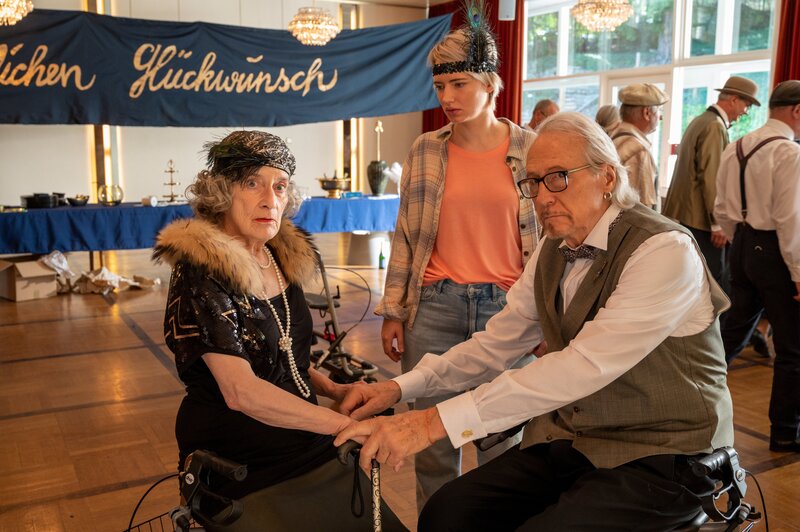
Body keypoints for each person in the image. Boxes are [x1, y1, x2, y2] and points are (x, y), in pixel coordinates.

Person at [337, 112, 733, 531]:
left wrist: (433, 423)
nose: (542, 197)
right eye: (533, 182)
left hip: (665, 451)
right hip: (576, 438)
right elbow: (495, 344)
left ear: (607, 177)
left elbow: (582, 366)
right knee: (447, 512)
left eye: (558, 177)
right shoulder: (552, 247)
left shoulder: (663, 249)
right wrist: (398, 387)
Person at [154, 130, 404, 531]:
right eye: (252, 183)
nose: (270, 199)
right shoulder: (202, 270)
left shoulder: (276, 255)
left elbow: (283, 356)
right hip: (240, 456)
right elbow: (241, 392)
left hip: (299, 430)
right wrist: (344, 425)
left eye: (280, 186)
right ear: (221, 192)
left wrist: (335, 390)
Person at [375, 7, 539, 510]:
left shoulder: (532, 151)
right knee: (431, 443)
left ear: (490, 84)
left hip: (508, 312)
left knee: (502, 439)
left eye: (459, 84)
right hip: (435, 307)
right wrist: (393, 309)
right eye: (440, 85)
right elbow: (405, 235)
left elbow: (551, 242)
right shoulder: (426, 149)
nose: (447, 97)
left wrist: (547, 318)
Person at [714, 80, 800, 452]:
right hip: (775, 252)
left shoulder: (736, 147)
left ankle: (688, 397)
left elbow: (721, 209)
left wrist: (743, 243)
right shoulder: (789, 153)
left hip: (743, 246)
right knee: (793, 348)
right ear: (796, 110)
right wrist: (799, 274)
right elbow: (790, 220)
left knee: (731, 334)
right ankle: (785, 432)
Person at [662, 76, 761, 293]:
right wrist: (717, 223)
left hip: (688, 217)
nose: (746, 112)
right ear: (734, 100)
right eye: (746, 105)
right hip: (701, 221)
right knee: (711, 285)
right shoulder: (715, 126)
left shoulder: (701, 120)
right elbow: (711, 178)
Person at [612, 83, 669, 209]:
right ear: (647, 113)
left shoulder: (613, 137)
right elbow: (643, 208)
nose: (660, 117)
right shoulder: (638, 151)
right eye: (659, 110)